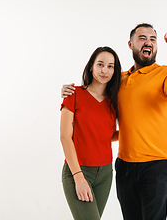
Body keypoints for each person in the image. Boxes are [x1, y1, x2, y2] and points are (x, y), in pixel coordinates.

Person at [61, 23, 167, 220]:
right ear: (130, 44)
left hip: (156, 165)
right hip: (125, 167)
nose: (148, 42)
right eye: (142, 38)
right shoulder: (118, 81)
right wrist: (69, 92)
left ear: (157, 46)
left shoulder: (165, 73)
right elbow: (93, 101)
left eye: (153, 39)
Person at [60, 46, 122, 220]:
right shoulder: (74, 94)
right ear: (91, 66)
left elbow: (107, 136)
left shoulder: (114, 101)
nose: (105, 70)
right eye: (100, 64)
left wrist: (133, 130)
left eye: (110, 66)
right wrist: (78, 177)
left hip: (105, 174)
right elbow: (65, 137)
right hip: (78, 170)